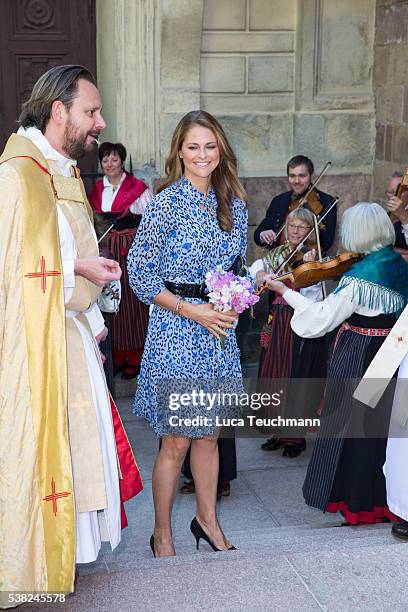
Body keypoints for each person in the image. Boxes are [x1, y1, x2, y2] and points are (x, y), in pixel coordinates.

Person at [0, 65, 142, 604]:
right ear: (58, 110)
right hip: (34, 348)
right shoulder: (17, 176)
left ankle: (64, 557)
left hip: (71, 332)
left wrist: (94, 308)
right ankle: (33, 561)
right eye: (91, 112)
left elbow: (62, 252)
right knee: (42, 452)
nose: (100, 123)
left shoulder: (58, 170)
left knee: (78, 453)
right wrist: (77, 271)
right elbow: (12, 273)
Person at [127, 110, 247, 557]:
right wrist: (191, 310)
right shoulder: (165, 202)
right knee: (177, 439)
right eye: (193, 146)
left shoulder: (234, 203)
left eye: (210, 146)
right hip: (177, 328)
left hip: (216, 332)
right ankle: (162, 533)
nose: (202, 154)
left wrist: (237, 297)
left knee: (209, 435)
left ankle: (207, 520)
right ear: (179, 151)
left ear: (221, 152)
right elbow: (138, 271)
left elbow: (233, 268)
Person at [265, 202, 408, 525]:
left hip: (358, 352)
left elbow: (319, 320)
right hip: (389, 352)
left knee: (348, 429)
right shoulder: (396, 264)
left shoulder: (360, 277)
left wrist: (284, 291)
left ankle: (357, 505)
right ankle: (383, 501)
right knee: (379, 429)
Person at [251, 208, 327, 457]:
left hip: (299, 324)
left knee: (294, 376)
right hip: (277, 322)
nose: (295, 231)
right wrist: (261, 273)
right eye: (291, 225)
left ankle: (294, 438)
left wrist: (310, 271)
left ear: (311, 231)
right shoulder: (277, 254)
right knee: (274, 374)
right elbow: (254, 271)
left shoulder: (313, 258)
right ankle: (276, 430)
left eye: (302, 226)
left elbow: (314, 298)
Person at [89, 142, 153, 380]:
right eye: (105, 160)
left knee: (132, 303)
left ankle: (136, 357)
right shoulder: (97, 190)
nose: (109, 164)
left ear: (122, 161)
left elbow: (150, 222)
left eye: (114, 159)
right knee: (110, 301)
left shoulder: (137, 188)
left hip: (131, 251)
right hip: (107, 251)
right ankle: (115, 356)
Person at [254, 155, 336, 253]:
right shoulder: (279, 201)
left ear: (311, 176)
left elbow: (327, 243)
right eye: (292, 176)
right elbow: (259, 232)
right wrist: (263, 234)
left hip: (308, 262)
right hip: (279, 260)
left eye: (302, 176)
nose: (296, 181)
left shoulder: (326, 202)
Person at [385, 170, 408, 251]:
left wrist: (403, 216)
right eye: (390, 192)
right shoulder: (385, 216)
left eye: (400, 192)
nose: (394, 197)